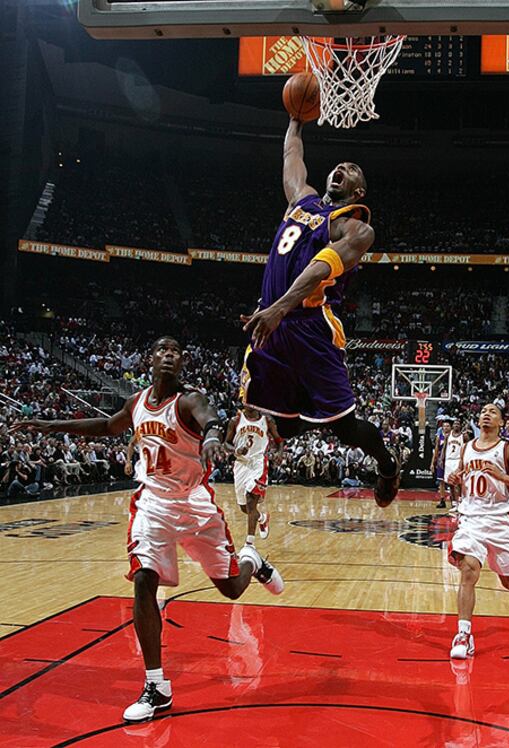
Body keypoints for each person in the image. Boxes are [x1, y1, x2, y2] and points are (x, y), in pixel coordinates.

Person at [10, 336, 284, 722]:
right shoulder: (136, 403)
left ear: (182, 361)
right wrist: (54, 424)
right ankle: (156, 686)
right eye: (162, 349)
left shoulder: (190, 399)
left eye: (175, 350)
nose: (168, 354)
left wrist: (209, 439)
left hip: (194, 504)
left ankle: (252, 561)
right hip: (153, 503)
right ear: (150, 359)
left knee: (231, 588)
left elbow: (211, 420)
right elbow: (107, 425)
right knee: (143, 579)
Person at [239, 117, 399, 508]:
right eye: (339, 165)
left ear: (357, 190)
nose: (341, 168)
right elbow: (292, 154)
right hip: (274, 322)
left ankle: (387, 465)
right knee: (262, 410)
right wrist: (295, 118)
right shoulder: (301, 200)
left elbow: (318, 270)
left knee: (344, 429)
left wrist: (278, 307)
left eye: (351, 170)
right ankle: (249, 489)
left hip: (310, 327)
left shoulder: (356, 230)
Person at [446, 403, 509, 660]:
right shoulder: (467, 448)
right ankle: (463, 635)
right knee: (468, 570)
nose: (486, 414)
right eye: (483, 411)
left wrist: (502, 476)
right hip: (471, 519)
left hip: (500, 521)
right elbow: (460, 480)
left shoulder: (506, 448)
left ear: (501, 422)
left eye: (492, 412)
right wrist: (455, 480)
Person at [225, 406, 283, 547]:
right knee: (245, 508)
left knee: (251, 502)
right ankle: (262, 518)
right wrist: (236, 450)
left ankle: (249, 544)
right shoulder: (235, 421)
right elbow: (226, 444)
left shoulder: (266, 420)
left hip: (258, 464)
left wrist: (279, 453)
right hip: (241, 464)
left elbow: (279, 440)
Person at [443, 419, 467, 509]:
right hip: (448, 460)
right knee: (450, 483)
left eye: (458, 424)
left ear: (460, 426)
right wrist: (442, 459)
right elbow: (445, 447)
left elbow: (467, 448)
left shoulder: (464, 436)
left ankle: (461, 502)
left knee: (459, 483)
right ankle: (454, 503)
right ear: (452, 426)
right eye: (455, 424)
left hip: (458, 460)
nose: (456, 425)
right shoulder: (448, 435)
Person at [431, 420, 451, 509]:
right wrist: (432, 463)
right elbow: (436, 450)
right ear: (442, 427)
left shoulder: (453, 437)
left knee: (452, 482)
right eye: (444, 426)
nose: (446, 427)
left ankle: (455, 501)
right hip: (441, 461)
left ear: (451, 427)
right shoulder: (439, 437)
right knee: (441, 481)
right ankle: (442, 500)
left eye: (447, 426)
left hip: (450, 460)